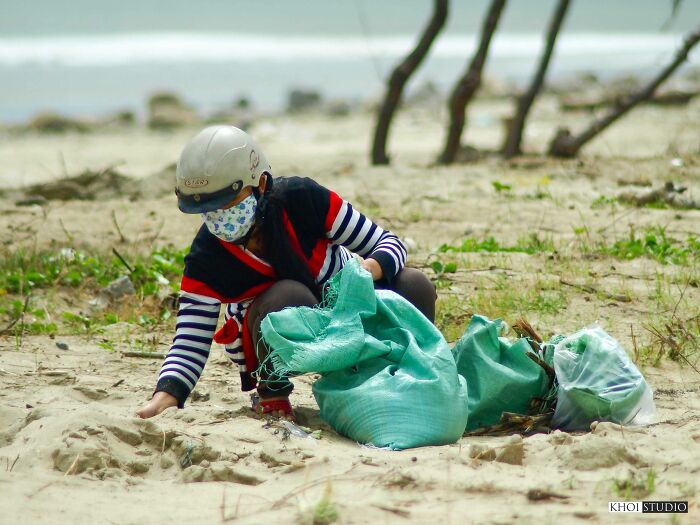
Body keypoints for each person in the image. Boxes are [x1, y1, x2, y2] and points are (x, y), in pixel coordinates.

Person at [136, 125, 437, 420]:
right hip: (280, 335)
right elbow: (190, 339)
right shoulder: (206, 257)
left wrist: (367, 270)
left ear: (261, 185)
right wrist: (167, 394)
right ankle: (273, 393)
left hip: (346, 315)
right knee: (290, 294)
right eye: (209, 210)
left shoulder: (304, 199)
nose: (219, 217)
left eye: (228, 202)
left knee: (415, 285)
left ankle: (409, 373)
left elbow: (389, 243)